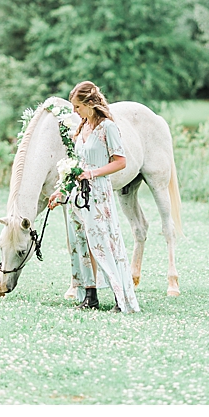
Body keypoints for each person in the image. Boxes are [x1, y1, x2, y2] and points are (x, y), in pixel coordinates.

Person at [47, 82, 140, 313]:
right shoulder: (82, 126)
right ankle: (90, 295)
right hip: (78, 194)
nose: (75, 111)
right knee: (80, 243)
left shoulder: (108, 127)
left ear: (90, 103)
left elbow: (121, 161)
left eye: (78, 106)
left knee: (103, 242)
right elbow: (75, 165)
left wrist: (92, 173)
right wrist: (62, 191)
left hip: (97, 193)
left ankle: (121, 297)